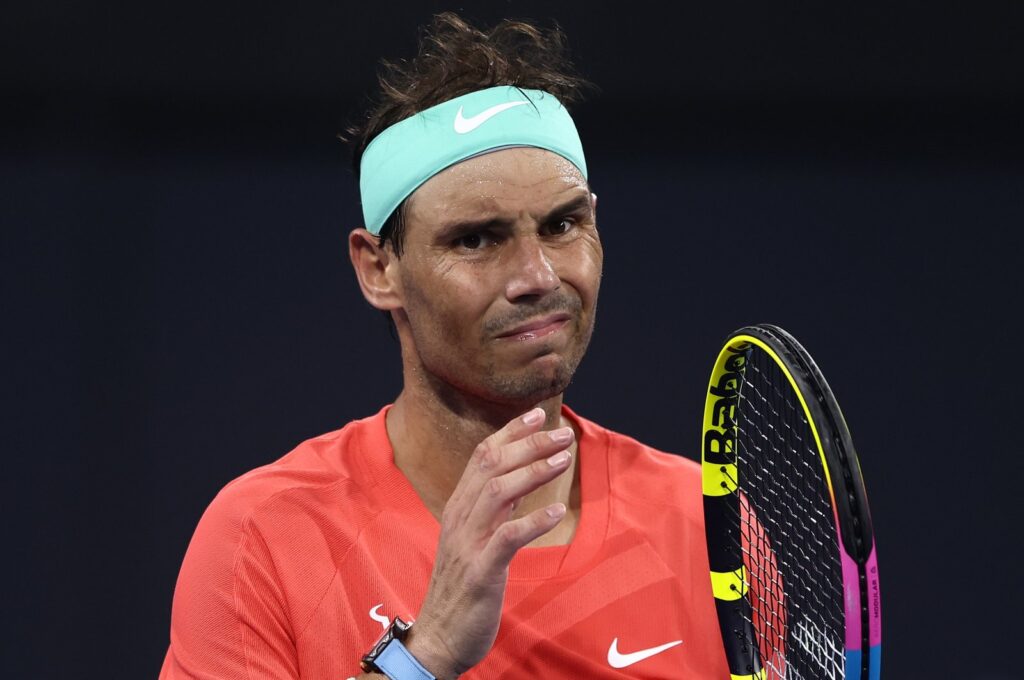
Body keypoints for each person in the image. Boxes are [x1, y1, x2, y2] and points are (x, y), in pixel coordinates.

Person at [160, 13, 729, 680]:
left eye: (562, 224)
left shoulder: (711, 528)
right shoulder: (264, 539)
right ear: (379, 269)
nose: (538, 277)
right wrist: (421, 658)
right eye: (476, 240)